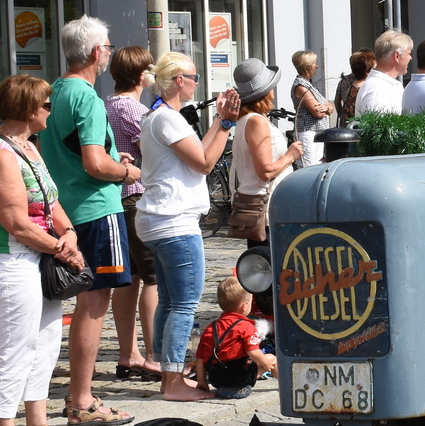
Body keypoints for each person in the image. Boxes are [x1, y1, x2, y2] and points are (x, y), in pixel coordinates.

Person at [0, 75, 86, 426]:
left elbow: (51, 203)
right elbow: (15, 222)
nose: (50, 112)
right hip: (10, 257)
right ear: (27, 109)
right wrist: (61, 248)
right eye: (45, 105)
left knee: (45, 342)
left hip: (40, 254)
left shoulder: (29, 147)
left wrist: (69, 233)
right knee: (15, 345)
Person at [41, 17, 139, 426]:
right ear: (97, 52)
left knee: (82, 302)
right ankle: (81, 400)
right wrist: (127, 172)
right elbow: (95, 163)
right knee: (94, 304)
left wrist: (114, 161)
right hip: (96, 208)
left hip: (65, 210)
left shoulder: (55, 91)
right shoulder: (87, 97)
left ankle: (76, 396)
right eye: (109, 47)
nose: (110, 54)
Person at [139, 53, 241, 401]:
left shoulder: (160, 116)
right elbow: (205, 163)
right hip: (174, 221)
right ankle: (172, 382)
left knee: (170, 300)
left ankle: (166, 368)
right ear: (179, 81)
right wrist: (225, 125)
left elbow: (197, 151)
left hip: (160, 219)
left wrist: (219, 122)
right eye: (194, 77)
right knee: (184, 303)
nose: (198, 83)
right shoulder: (167, 118)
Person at [103, 45, 161, 381]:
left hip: (118, 198)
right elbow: (153, 149)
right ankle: (153, 356)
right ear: (142, 75)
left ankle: (129, 354)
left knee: (129, 278)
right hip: (136, 195)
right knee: (154, 277)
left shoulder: (108, 103)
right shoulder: (132, 108)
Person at [228, 58, 299, 245]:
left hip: (259, 205)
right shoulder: (256, 121)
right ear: (266, 91)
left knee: (261, 258)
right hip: (265, 208)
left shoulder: (247, 119)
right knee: (269, 258)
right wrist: (290, 156)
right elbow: (265, 171)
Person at [192, 277, 274, 399]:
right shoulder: (246, 326)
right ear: (245, 305)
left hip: (217, 379)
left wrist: (202, 381)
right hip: (240, 378)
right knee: (271, 358)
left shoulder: (211, 327)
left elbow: (199, 358)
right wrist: (266, 364)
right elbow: (253, 352)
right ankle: (286, 385)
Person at [290, 49, 334, 166]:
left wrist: (326, 108)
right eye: (315, 63)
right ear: (307, 66)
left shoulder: (310, 84)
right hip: (308, 132)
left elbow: (330, 107)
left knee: (317, 165)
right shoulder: (301, 86)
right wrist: (326, 109)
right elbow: (317, 113)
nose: (317, 66)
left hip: (316, 132)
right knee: (309, 167)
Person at [353, 31, 412, 115]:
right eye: (409, 53)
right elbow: (376, 123)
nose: (410, 58)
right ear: (397, 56)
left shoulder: (386, 85)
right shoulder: (376, 89)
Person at [333, 50, 374, 126]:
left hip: (346, 120)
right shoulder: (365, 81)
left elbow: (336, 101)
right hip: (360, 122)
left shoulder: (344, 80)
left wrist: (341, 115)